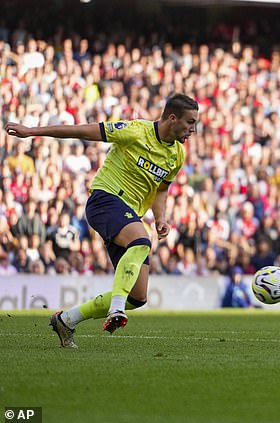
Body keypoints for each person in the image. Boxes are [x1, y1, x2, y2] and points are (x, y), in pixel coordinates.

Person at [5, 93, 199, 348]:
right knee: (141, 241)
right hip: (105, 200)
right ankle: (116, 309)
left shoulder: (177, 155)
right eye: (190, 122)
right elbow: (82, 131)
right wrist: (32, 131)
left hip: (129, 216)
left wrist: (160, 217)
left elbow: (161, 189)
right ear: (172, 118)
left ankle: (66, 320)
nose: (193, 130)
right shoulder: (135, 130)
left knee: (138, 296)